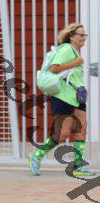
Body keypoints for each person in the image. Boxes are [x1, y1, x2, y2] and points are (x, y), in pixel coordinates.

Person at [29, 23, 96, 177]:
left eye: (85, 35)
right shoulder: (66, 49)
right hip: (63, 97)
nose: (84, 38)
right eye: (81, 35)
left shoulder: (74, 51)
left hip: (76, 97)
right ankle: (36, 155)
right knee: (62, 134)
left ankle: (77, 165)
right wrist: (75, 62)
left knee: (82, 128)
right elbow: (54, 68)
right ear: (71, 36)